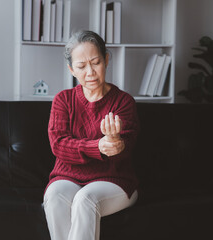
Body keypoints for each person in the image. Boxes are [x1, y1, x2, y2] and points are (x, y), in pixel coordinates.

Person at [43, 30, 139, 240]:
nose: (90, 72)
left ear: (106, 59)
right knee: (54, 195)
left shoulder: (123, 102)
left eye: (95, 62)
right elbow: (59, 145)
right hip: (67, 176)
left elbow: (127, 146)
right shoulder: (63, 100)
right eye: (81, 66)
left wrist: (115, 143)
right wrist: (97, 147)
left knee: (85, 199)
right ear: (71, 69)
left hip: (115, 180)